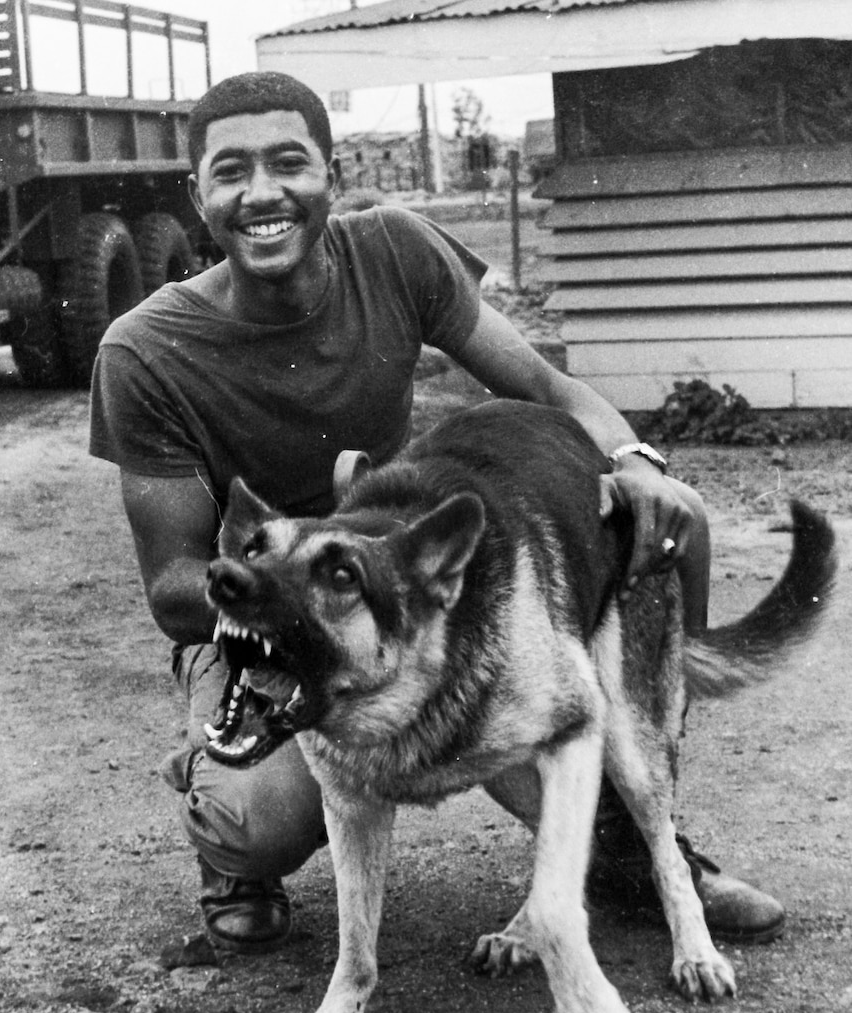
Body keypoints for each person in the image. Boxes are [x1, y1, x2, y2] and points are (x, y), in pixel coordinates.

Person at [89, 72, 785, 955]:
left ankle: (640, 848)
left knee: (669, 519)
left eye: (288, 164)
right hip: (259, 625)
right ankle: (221, 791)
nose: (262, 193)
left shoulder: (394, 249)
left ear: (331, 178)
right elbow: (174, 587)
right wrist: (299, 597)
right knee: (254, 817)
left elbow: (542, 385)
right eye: (231, 172)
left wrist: (636, 463)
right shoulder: (145, 348)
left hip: (394, 585)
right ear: (199, 197)